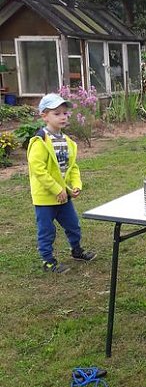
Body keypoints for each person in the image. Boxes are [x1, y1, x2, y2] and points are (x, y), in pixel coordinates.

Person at [27, 92, 96, 273]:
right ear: (44, 116)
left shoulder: (67, 142)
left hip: (64, 197)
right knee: (47, 231)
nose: (63, 117)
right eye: (56, 113)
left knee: (73, 225)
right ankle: (48, 261)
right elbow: (38, 169)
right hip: (45, 198)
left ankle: (76, 250)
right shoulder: (39, 141)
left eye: (65, 113)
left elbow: (72, 167)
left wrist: (75, 186)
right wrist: (57, 189)